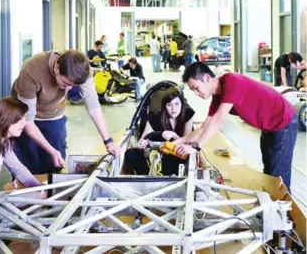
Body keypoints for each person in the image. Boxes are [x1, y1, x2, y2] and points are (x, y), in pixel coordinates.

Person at [175, 62, 297, 192]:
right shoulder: (218, 96)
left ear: (206, 78)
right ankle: (272, 208)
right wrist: (176, 142)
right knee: (269, 174)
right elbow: (203, 127)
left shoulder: (232, 82)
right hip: (268, 127)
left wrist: (195, 146)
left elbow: (219, 119)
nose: (196, 93)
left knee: (277, 177)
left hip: (283, 122)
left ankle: (284, 210)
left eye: (196, 88)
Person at [11, 50, 120, 175]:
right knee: (27, 165)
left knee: (55, 164)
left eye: (73, 86)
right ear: (57, 68)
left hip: (54, 115)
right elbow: (28, 120)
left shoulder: (82, 70)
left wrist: (109, 142)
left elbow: (93, 104)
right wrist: (51, 150)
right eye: (66, 83)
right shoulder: (32, 69)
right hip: (23, 116)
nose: (68, 88)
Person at [124, 87, 195, 176]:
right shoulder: (154, 118)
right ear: (164, 106)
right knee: (130, 154)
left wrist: (175, 136)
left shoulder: (188, 115)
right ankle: (144, 176)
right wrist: (141, 144)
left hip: (175, 155)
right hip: (156, 153)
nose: (174, 109)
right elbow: (141, 141)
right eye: (169, 105)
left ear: (182, 104)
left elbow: (187, 143)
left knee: (183, 156)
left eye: (177, 104)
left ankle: (169, 176)